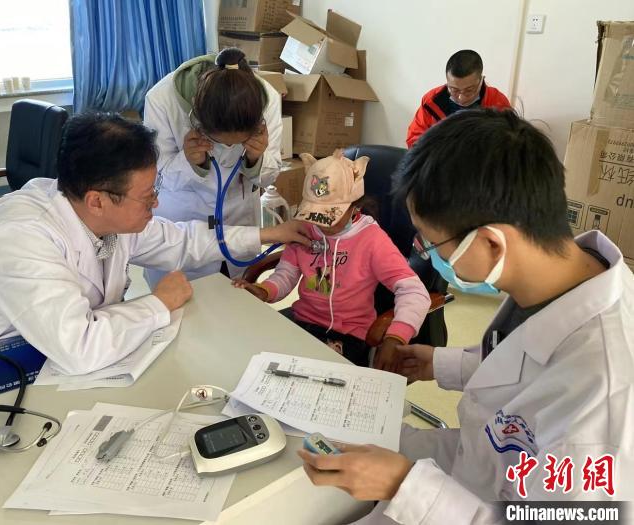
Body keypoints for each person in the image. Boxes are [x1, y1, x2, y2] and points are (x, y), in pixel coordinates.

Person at [299, 109, 634, 523]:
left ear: (491, 244)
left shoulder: (603, 408)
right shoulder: (563, 278)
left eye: (430, 242)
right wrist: (444, 364)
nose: (427, 253)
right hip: (475, 469)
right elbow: (525, 367)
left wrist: (403, 487)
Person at [0, 112, 308, 376]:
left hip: (52, 364)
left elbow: (182, 240)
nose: (156, 203)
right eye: (148, 196)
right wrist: (159, 302)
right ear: (98, 200)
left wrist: (270, 234)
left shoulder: (104, 213)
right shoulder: (19, 235)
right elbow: (80, 347)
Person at [232, 150, 430, 367]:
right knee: (254, 356)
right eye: (315, 213)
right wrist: (264, 290)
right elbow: (286, 274)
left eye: (330, 215)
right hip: (303, 321)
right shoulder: (305, 229)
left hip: (350, 333)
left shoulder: (372, 239)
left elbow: (413, 291)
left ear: (355, 206)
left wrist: (396, 337)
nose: (320, 223)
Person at [143, 47, 282, 284]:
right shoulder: (162, 99)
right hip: (183, 221)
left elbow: (269, 176)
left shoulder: (266, 98)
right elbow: (155, 179)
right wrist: (189, 161)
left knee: (237, 296)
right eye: (220, 141)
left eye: (238, 143)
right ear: (196, 120)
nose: (228, 149)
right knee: (180, 302)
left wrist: (256, 159)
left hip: (239, 218)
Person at [406, 50, 511, 148]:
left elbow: (508, 142)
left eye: (469, 90)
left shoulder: (498, 102)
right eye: (454, 90)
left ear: (481, 80)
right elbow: (414, 139)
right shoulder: (431, 101)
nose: (461, 98)